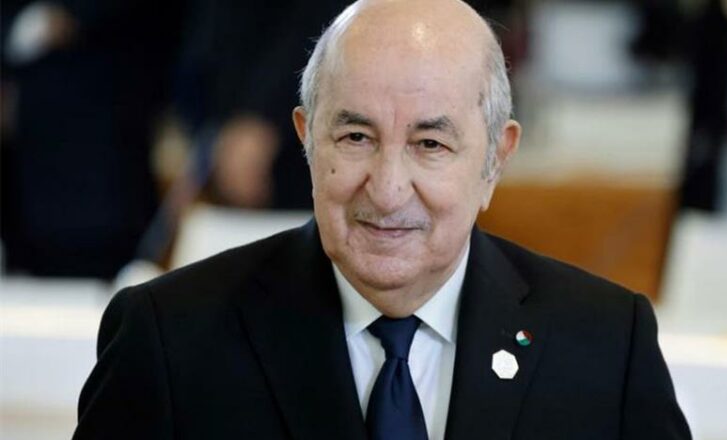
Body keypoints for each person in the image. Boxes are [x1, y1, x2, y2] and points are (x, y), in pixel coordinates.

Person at [73, 0, 691, 438]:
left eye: (430, 144)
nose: (389, 190)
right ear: (306, 138)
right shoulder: (170, 338)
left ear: (496, 160)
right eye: (356, 137)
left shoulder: (606, 342)